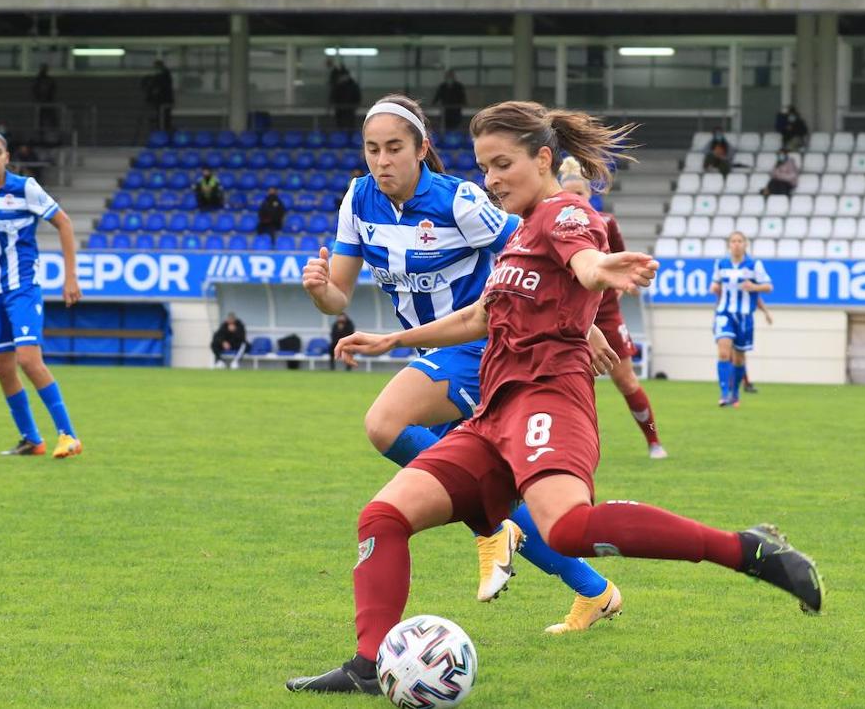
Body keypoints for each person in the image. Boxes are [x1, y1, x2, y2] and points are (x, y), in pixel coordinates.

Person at [287, 101, 823, 695]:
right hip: (494, 409)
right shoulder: (513, 245)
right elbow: (478, 316)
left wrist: (600, 271)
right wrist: (394, 339)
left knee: (567, 527)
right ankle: (369, 663)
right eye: (484, 168)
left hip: (549, 398)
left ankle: (747, 550)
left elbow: (585, 259)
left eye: (502, 164)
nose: (490, 180)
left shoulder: (564, 213)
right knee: (383, 517)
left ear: (543, 159)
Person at [300, 94, 623, 642]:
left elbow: (533, 252)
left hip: (488, 344)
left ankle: (490, 525)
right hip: (433, 353)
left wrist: (582, 326)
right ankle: (595, 591)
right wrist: (319, 290)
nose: (382, 161)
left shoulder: (462, 201)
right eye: (372, 149)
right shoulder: (358, 200)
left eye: (395, 148)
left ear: (422, 149)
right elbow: (339, 299)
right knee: (494, 493)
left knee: (385, 424)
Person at [0, 131, 84, 458]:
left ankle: (68, 435)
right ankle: (32, 440)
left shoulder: (26, 188)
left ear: (7, 157)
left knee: (28, 360)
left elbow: (64, 224)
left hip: (22, 287)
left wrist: (71, 277)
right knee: (2, 367)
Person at [559, 156, 666, 459]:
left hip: (604, 314)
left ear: (590, 195)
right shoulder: (554, 224)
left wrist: (621, 284)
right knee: (568, 385)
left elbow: (620, 260)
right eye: (568, 193)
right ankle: (571, 447)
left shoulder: (605, 223)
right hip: (567, 315)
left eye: (579, 193)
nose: (573, 199)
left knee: (625, 379)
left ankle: (654, 442)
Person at [710, 231, 773, 407]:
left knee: (739, 359)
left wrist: (754, 287)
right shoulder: (721, 264)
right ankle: (724, 394)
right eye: (733, 241)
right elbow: (716, 284)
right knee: (723, 352)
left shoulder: (754, 265)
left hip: (745, 317)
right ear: (729, 245)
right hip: (724, 314)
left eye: (739, 241)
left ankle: (735, 393)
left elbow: (768, 286)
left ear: (745, 244)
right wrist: (714, 286)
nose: (736, 244)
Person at [740, 298, 774, 394]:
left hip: (743, 320)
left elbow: (756, 297)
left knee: (740, 354)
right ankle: (730, 387)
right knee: (729, 353)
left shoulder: (747, 284)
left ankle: (744, 382)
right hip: (728, 319)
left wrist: (766, 313)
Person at [143, 60, 174, 132]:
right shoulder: (162, 75)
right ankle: (162, 126)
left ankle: (163, 127)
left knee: (164, 115)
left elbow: (161, 85)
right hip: (163, 100)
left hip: (163, 100)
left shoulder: (163, 75)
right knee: (163, 115)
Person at [31, 64, 58, 135]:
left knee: (51, 118)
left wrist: (48, 98)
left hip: (48, 102)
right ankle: (41, 134)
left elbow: (53, 90)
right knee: (40, 120)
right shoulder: (37, 80)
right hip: (41, 102)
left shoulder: (49, 80)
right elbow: (34, 90)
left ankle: (53, 132)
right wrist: (38, 98)